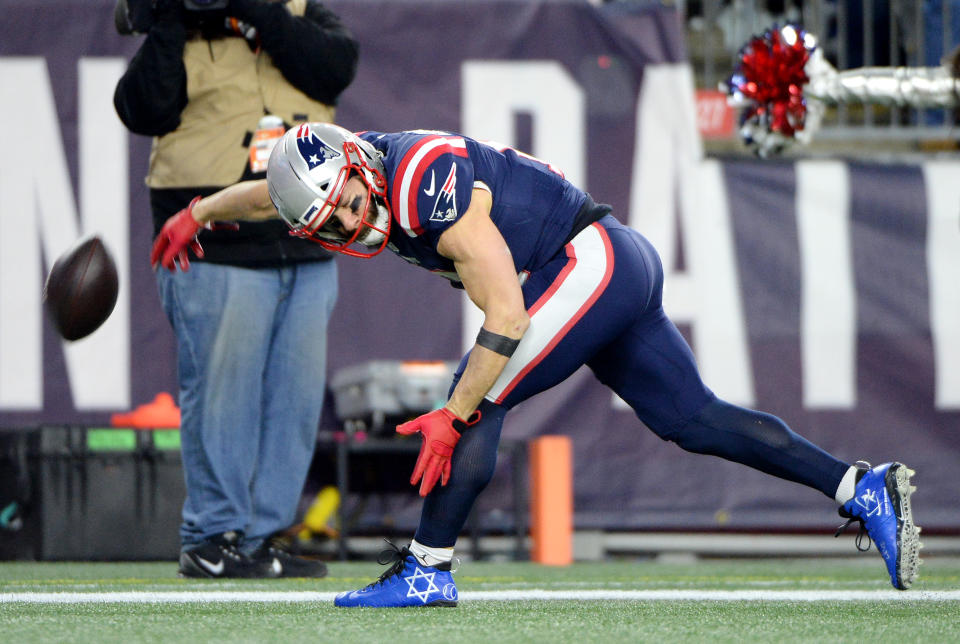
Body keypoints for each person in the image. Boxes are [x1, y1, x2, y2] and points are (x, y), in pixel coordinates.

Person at [151, 123, 922, 601]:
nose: (351, 224)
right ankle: (860, 486)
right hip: (610, 261)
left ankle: (427, 568)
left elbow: (508, 318)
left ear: (357, 167)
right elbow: (272, 198)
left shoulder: (423, 183)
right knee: (694, 418)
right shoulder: (362, 166)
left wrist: (456, 417)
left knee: (475, 392)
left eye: (348, 203)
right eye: (331, 223)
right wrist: (199, 212)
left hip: (590, 263)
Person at [114, 1, 357, 578]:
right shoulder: (177, 25)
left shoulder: (295, 14)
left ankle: (261, 538)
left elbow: (335, 66)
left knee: (295, 403)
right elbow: (142, 106)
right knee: (223, 397)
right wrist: (174, 18)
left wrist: (254, 10)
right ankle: (211, 535)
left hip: (308, 236)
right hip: (212, 239)